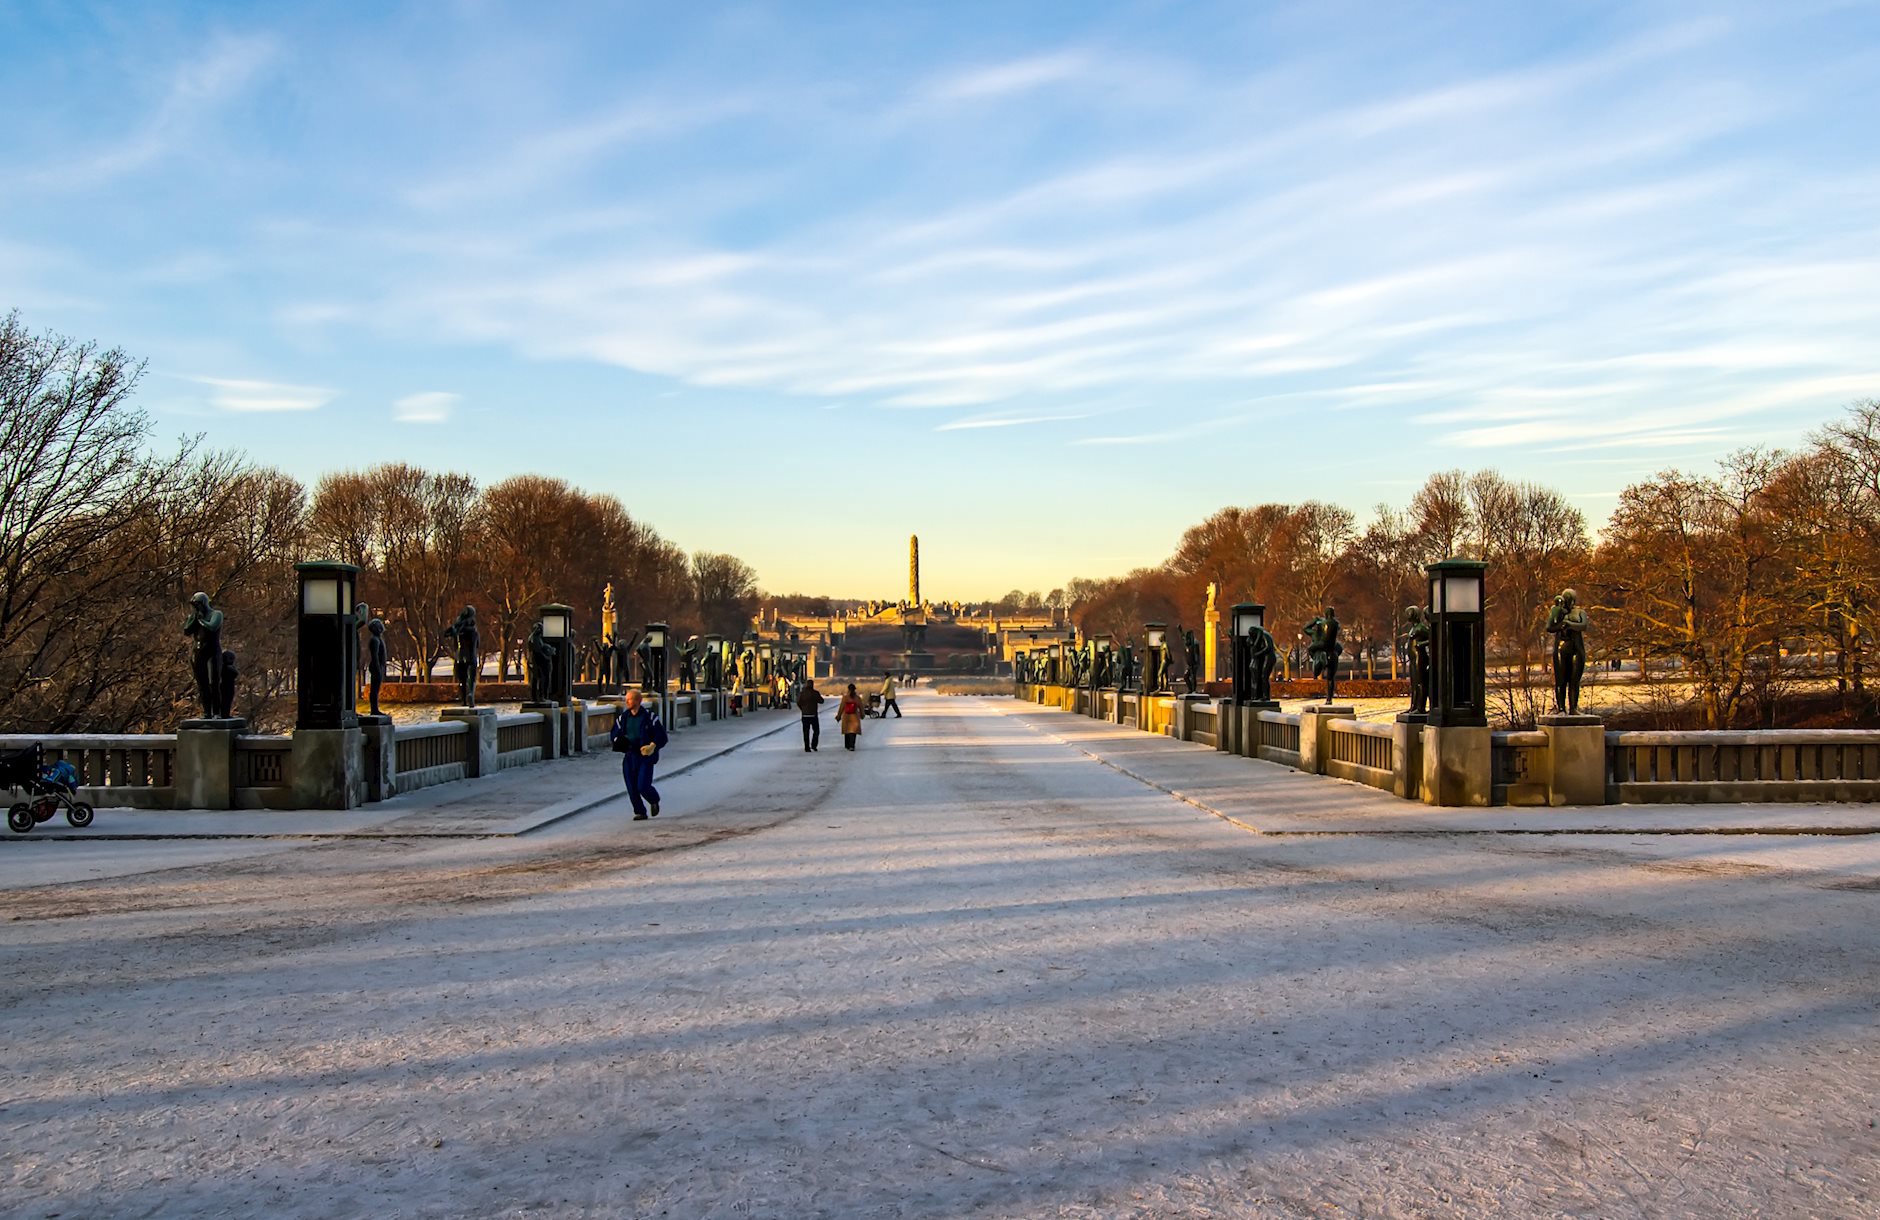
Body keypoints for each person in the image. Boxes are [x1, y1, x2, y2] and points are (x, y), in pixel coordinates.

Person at [609, 688, 668, 820]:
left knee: (642, 785)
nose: (627, 702)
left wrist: (653, 746)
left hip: (645, 756)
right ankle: (640, 811)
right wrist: (619, 742)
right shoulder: (623, 718)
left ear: (639, 701)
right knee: (631, 785)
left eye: (630, 699)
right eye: (627, 699)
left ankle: (653, 799)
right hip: (630, 755)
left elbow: (662, 736)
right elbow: (614, 734)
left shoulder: (649, 717)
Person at [797, 678, 825, 752]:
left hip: (805, 715)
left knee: (806, 732)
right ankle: (814, 745)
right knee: (816, 731)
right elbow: (821, 701)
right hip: (813, 715)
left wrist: (802, 709)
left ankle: (807, 747)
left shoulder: (802, 693)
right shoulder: (815, 693)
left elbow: (798, 702)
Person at [838, 683, 865, 750]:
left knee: (847, 730)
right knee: (853, 732)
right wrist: (862, 715)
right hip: (854, 716)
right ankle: (852, 745)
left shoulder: (845, 698)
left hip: (846, 716)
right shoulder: (857, 698)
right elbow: (861, 707)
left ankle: (847, 745)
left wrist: (838, 716)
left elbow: (841, 707)